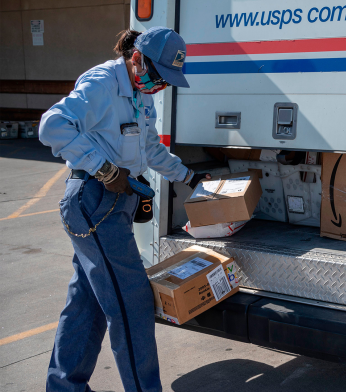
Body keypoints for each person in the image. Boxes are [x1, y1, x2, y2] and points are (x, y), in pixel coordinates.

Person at [39, 27, 208, 392]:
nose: (160, 86)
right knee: (132, 304)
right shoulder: (102, 84)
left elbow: (151, 152)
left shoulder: (140, 95)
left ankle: (64, 386)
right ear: (136, 59)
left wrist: (191, 177)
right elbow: (52, 125)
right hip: (93, 198)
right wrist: (103, 168)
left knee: (87, 304)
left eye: (166, 82)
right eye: (157, 77)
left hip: (115, 204)